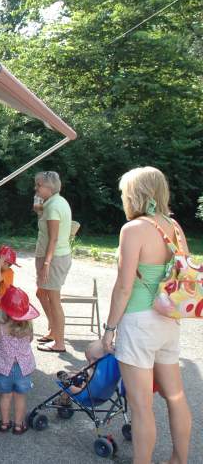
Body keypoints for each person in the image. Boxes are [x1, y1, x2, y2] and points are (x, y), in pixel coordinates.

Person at [102, 167, 191, 464]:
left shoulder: (134, 229)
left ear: (135, 194)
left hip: (139, 322)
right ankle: (179, 459)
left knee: (141, 407)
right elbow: (183, 274)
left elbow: (124, 287)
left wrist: (109, 329)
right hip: (169, 319)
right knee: (176, 398)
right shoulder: (175, 227)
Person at [32, 171, 73, 354]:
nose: (35, 188)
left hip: (54, 258)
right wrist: (39, 210)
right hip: (52, 256)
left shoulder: (54, 206)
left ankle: (59, 343)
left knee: (54, 299)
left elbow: (54, 239)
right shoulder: (53, 202)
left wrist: (47, 264)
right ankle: (53, 331)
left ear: (49, 187)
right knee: (41, 293)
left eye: (38, 185)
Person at [0, 286, 39, 435]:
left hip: (3, 368)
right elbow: (30, 339)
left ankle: (5, 424)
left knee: (5, 396)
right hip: (22, 369)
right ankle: (19, 426)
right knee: (20, 397)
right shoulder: (27, 328)